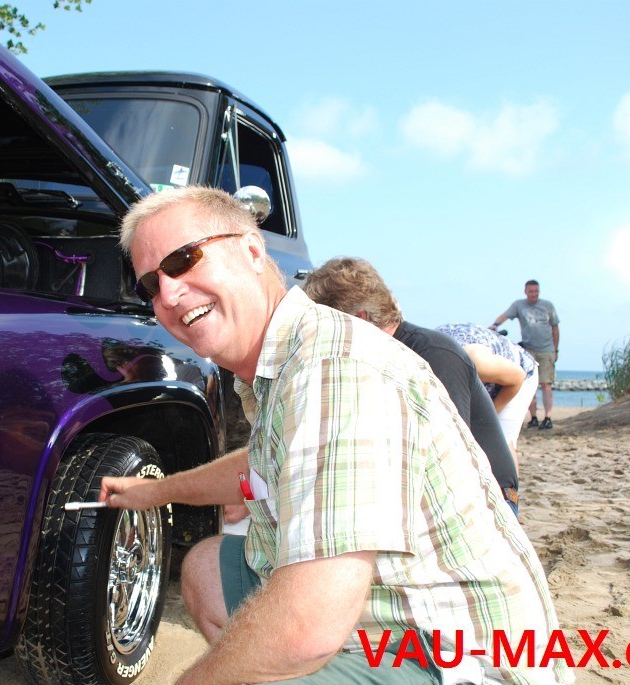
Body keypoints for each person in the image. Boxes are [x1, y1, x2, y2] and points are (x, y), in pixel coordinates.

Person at [101, 186, 569, 684]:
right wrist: (154, 492)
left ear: (252, 250)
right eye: (150, 285)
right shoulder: (280, 363)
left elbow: (307, 626)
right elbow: (260, 462)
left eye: (183, 259)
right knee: (207, 569)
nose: (168, 294)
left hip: (455, 655)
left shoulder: (333, 368)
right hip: (375, 610)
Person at [303, 257, 519, 515]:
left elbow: (451, 461)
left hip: (488, 501)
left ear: (360, 319)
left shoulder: (434, 356)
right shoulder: (378, 358)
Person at [436, 322, 539, 456]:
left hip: (519, 373)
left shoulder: (475, 363)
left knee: (500, 441)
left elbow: (518, 377)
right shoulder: (417, 366)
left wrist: (489, 419)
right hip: (466, 362)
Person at [489, 280, 560, 429]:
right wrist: (495, 325)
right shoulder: (519, 305)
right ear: (525, 291)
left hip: (547, 349)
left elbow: (555, 328)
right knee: (529, 384)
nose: (534, 294)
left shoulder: (547, 305)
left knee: (546, 384)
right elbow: (505, 315)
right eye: (531, 291)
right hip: (528, 349)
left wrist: (556, 349)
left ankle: (548, 418)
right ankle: (533, 417)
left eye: (536, 291)